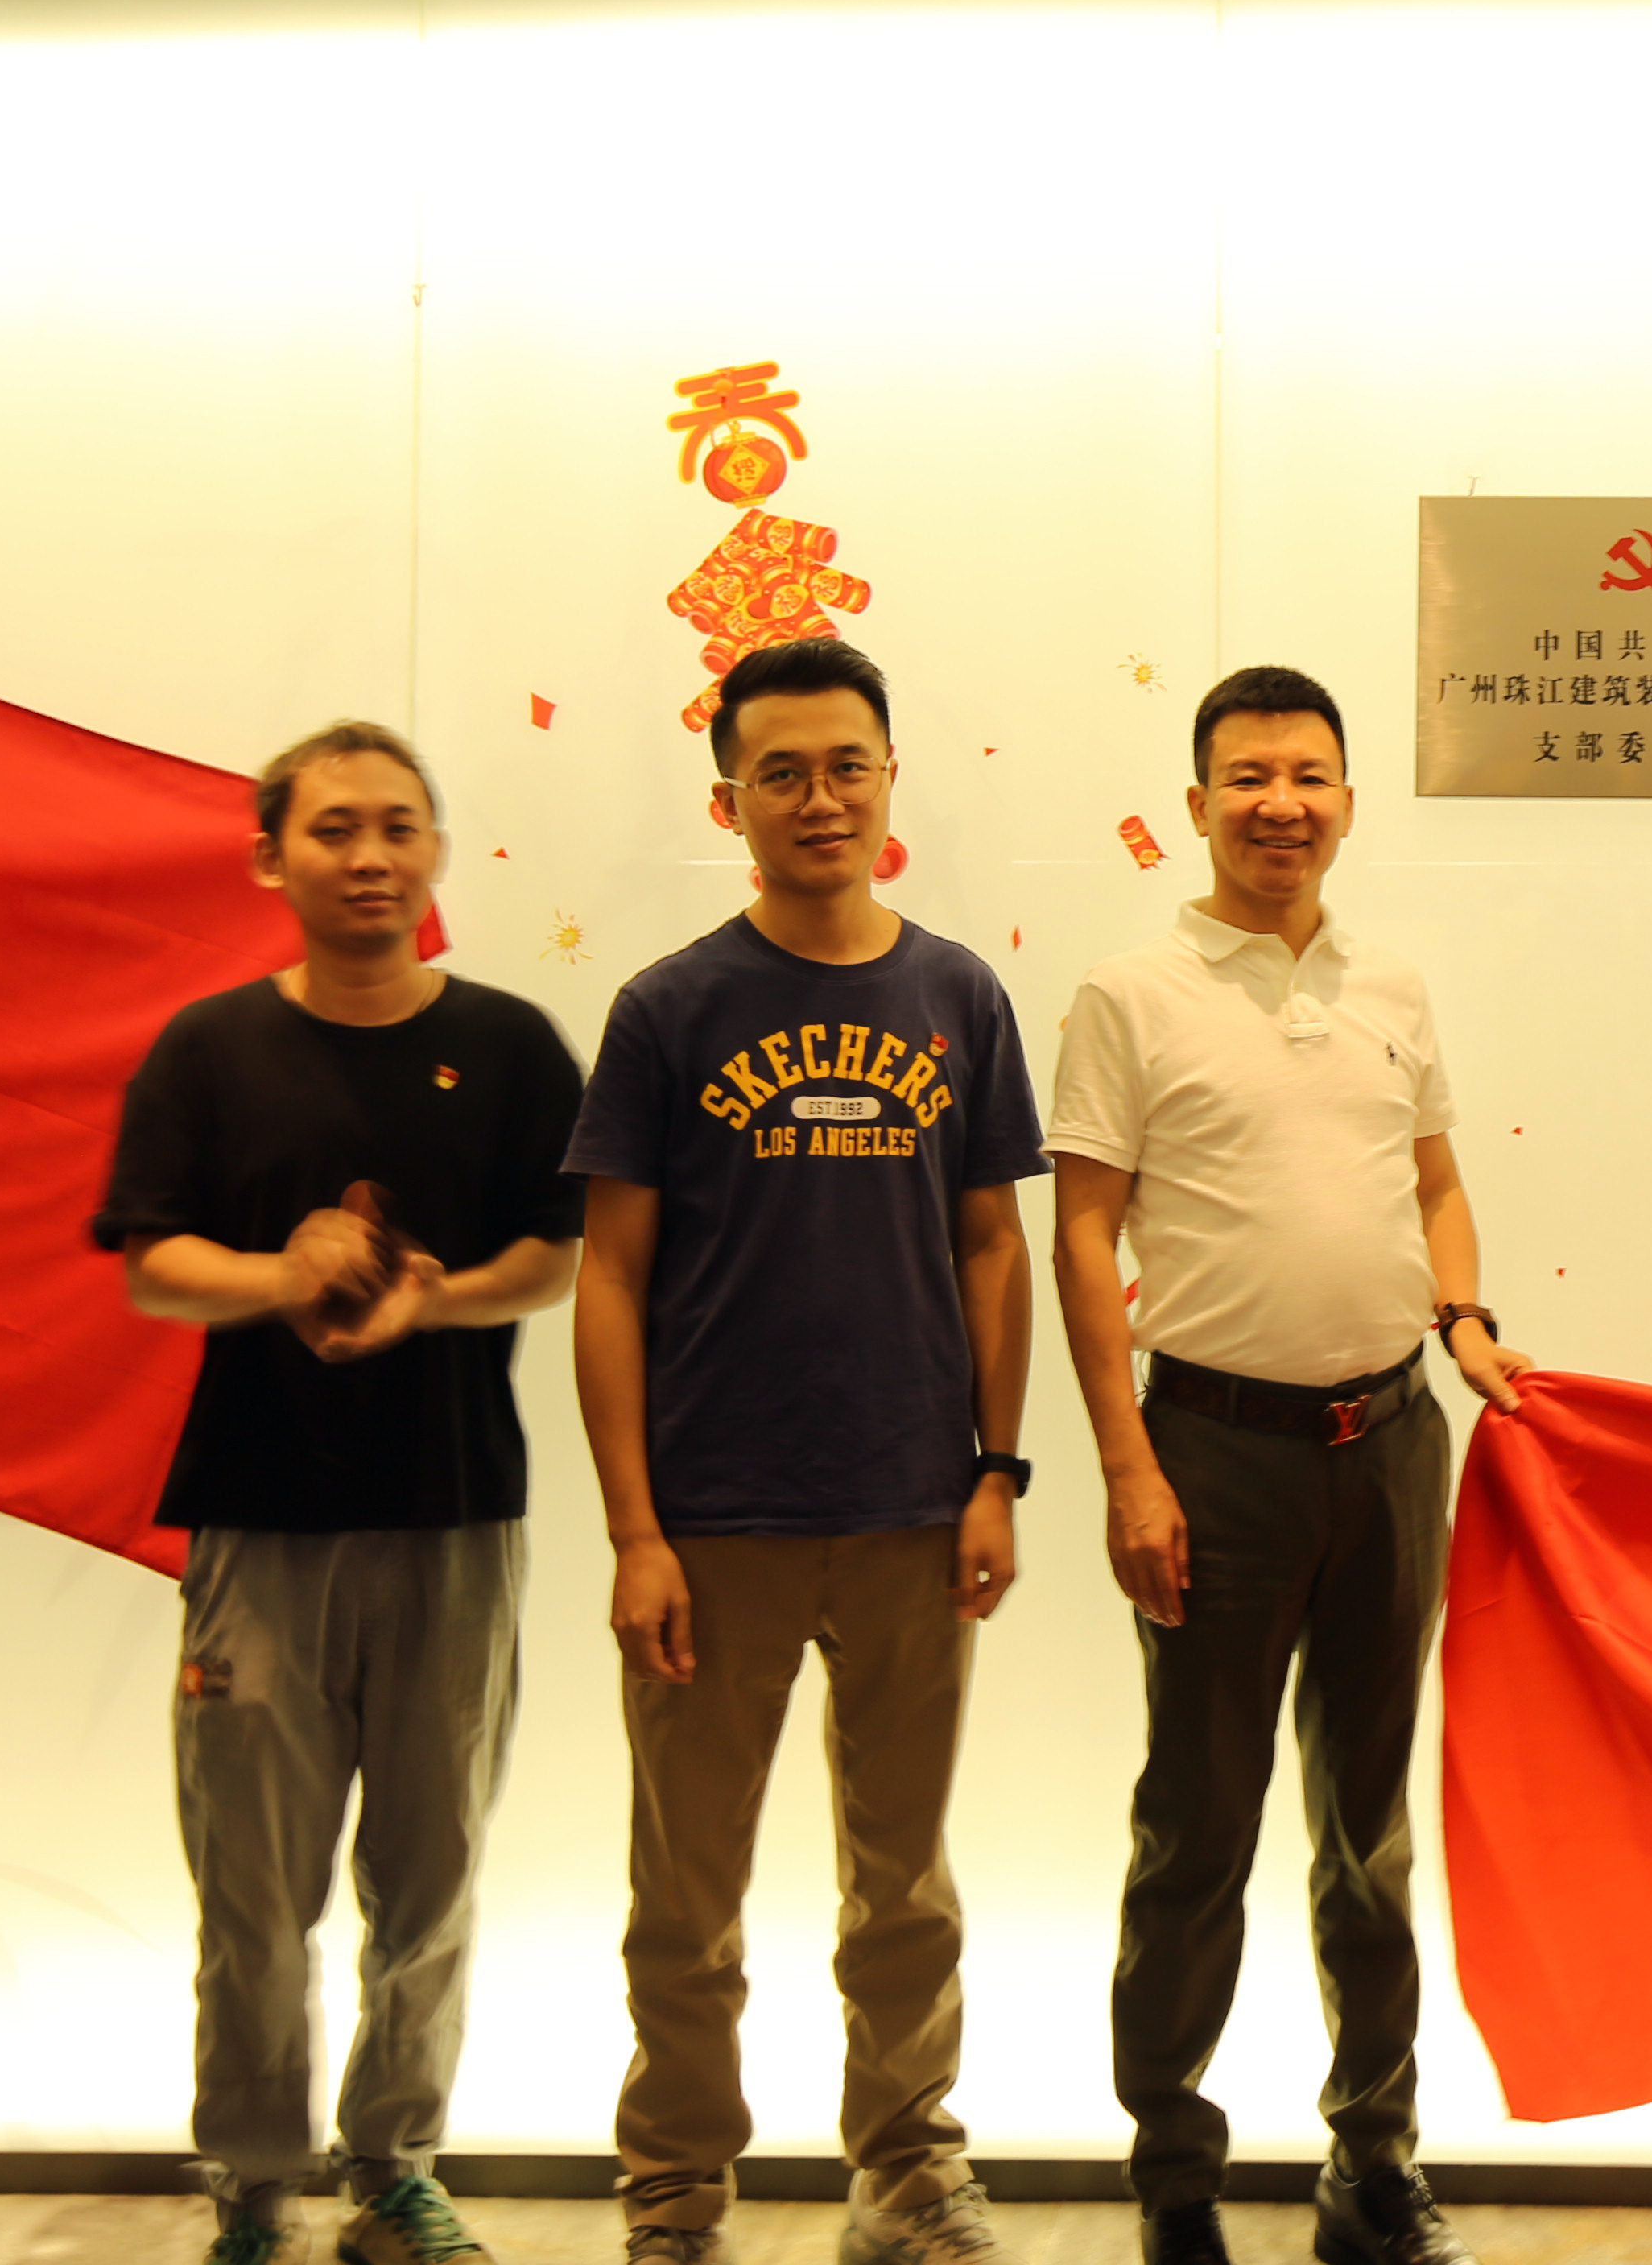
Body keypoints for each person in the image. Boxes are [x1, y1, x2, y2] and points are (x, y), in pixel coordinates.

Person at [563, 638, 1047, 2265]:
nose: (819, 798)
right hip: (715, 1523)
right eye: (782, 772)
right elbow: (611, 1275)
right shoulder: (670, 1008)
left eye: (847, 766)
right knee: (684, 1898)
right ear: (732, 802)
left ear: (891, 781)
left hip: (914, 1510)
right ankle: (675, 2191)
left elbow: (992, 1245)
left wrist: (996, 1472)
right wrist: (636, 1531)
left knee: (903, 1888)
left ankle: (907, 2173)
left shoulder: (957, 996)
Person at [1047, 664, 1531, 2265]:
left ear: (1346, 801)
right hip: (1213, 1452)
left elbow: (1436, 1180)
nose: (1282, 804)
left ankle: (1372, 2166)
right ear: (1198, 806)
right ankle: (1175, 2178)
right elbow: (1083, 1235)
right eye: (1249, 778)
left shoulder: (1391, 984)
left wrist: (1463, 1318)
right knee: (1196, 1828)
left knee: (1369, 1830)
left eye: (1309, 776)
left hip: (1390, 1445)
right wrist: (1129, 1469)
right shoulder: (1130, 993)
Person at [94, 721, 588, 2265]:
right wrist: (283, 1272)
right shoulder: (209, 1047)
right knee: (252, 1888)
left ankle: (393, 2168)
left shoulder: (512, 1044)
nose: (370, 857)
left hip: (456, 1514)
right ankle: (254, 2178)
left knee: (432, 1874)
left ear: (434, 849)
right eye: (333, 830)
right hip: (258, 1519)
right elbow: (154, 1264)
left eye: (397, 826)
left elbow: (555, 1257)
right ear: (271, 858)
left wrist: (433, 1302)